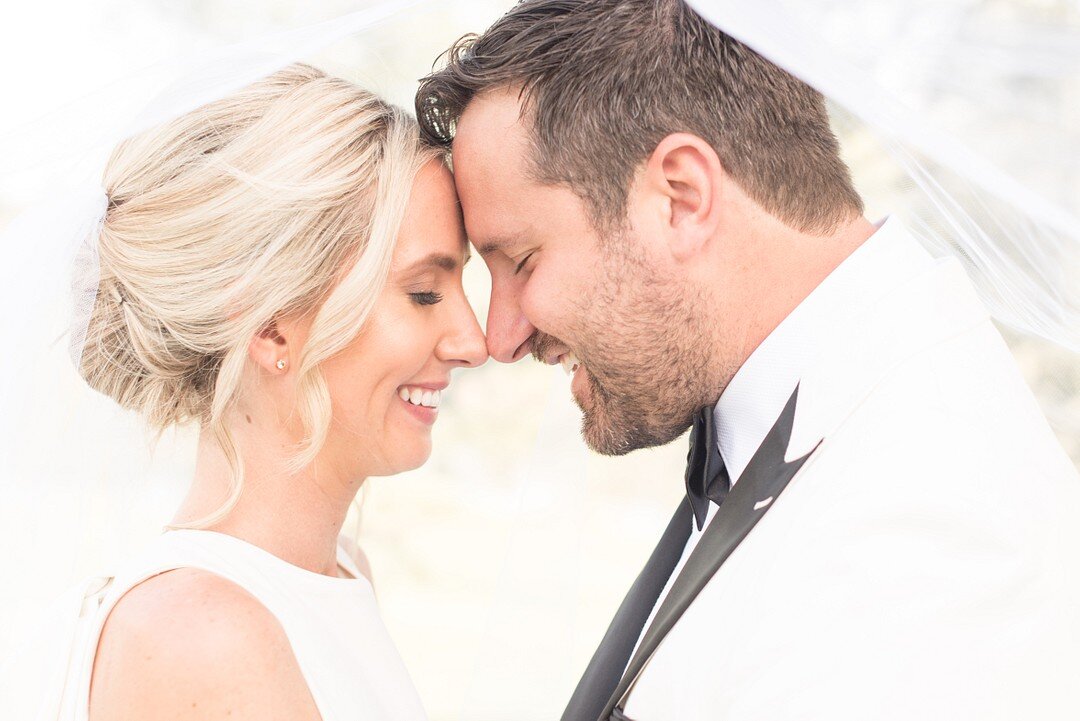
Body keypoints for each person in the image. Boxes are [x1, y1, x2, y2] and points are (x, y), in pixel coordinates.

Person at [416, 1, 1080, 719]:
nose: (500, 337)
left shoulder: (927, 521)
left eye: (521, 260)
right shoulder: (813, 424)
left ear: (680, 196)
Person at [31, 63, 486, 720]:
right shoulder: (202, 634)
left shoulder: (337, 575)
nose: (472, 340)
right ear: (274, 330)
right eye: (423, 292)